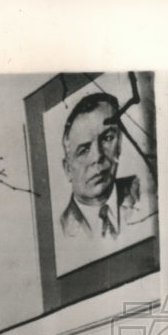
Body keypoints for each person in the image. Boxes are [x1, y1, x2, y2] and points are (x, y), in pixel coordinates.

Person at [59, 92, 146, 241]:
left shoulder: (143, 193)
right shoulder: (60, 230)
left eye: (107, 138)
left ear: (119, 144)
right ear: (68, 169)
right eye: (84, 150)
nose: (98, 156)